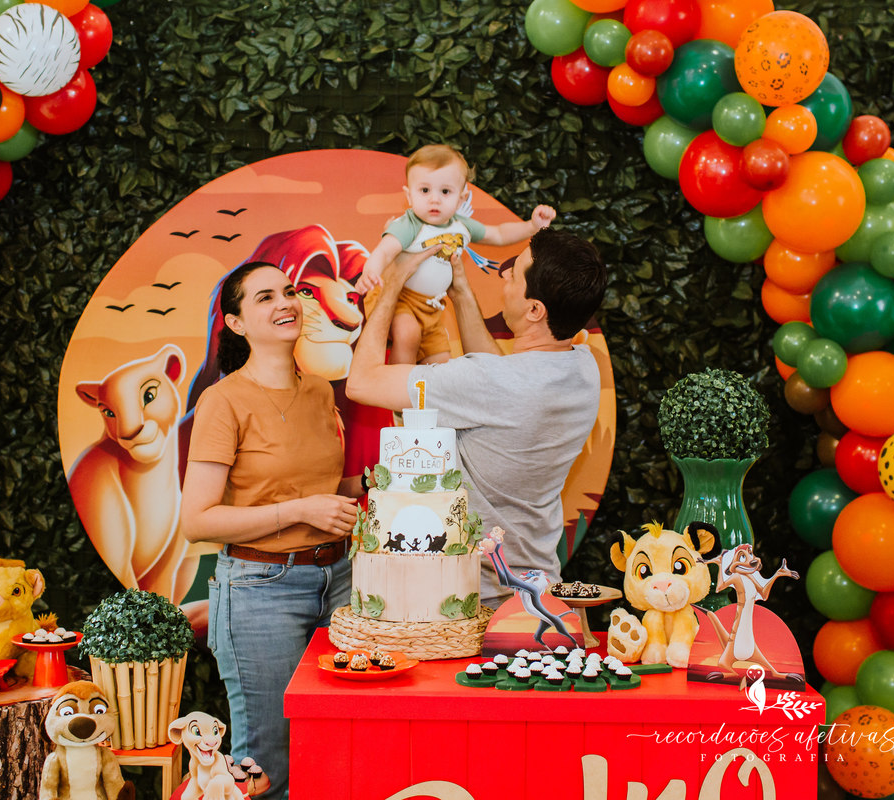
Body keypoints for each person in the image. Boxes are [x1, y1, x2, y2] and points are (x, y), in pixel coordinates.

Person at [346, 226, 607, 608]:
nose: (503, 274)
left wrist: (393, 283)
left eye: (514, 272)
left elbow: (362, 383)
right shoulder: (583, 369)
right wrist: (461, 291)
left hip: (474, 604)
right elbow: (506, 376)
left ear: (535, 310)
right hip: (539, 594)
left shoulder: (486, 382)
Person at [180, 261, 362, 800]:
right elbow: (197, 521)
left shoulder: (321, 392)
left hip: (340, 581)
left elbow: (327, 487)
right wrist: (301, 510)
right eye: (264, 298)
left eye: (289, 292)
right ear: (235, 323)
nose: (286, 303)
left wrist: (392, 483)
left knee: (339, 744)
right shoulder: (223, 401)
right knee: (268, 760)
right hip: (260, 591)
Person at [353, 144, 557, 366]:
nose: (434, 199)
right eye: (424, 190)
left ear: (461, 199)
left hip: (433, 307)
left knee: (441, 358)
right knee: (408, 334)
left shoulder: (462, 226)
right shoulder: (409, 224)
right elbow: (384, 251)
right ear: (409, 196)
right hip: (401, 298)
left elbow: (498, 234)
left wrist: (531, 226)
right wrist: (370, 272)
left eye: (445, 191)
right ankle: (397, 393)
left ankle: (429, 398)